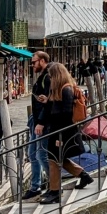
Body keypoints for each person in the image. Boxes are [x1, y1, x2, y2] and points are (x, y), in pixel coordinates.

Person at [35, 63, 93, 205]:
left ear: (57, 75)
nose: (49, 77)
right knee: (56, 157)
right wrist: (48, 103)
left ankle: (55, 192)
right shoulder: (56, 89)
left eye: (51, 74)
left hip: (63, 130)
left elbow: (67, 112)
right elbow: (53, 108)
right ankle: (82, 176)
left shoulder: (66, 89)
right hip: (57, 129)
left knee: (54, 158)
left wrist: (55, 125)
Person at [23, 52, 53, 200]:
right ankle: (36, 186)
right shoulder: (42, 77)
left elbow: (49, 103)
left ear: (42, 61)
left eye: (34, 62)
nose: (32, 64)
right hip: (36, 120)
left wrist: (41, 122)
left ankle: (54, 184)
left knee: (41, 154)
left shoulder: (47, 78)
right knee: (32, 153)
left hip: (42, 122)